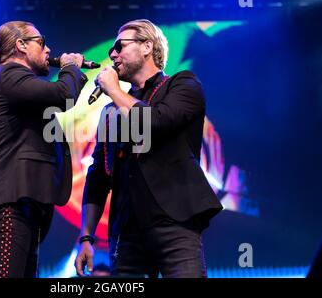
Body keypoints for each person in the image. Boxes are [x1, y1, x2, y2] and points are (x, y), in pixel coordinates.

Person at [74, 19, 223, 278]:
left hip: (175, 223)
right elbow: (99, 176)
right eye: (112, 50)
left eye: (120, 46)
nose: (112, 54)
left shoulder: (182, 85)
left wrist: (112, 89)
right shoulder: (111, 113)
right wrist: (86, 235)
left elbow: (156, 122)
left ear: (146, 46)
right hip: (126, 232)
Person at [0, 21, 88, 278]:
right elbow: (63, 94)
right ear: (20, 45)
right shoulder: (10, 74)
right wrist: (71, 67)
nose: (48, 49)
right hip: (7, 203)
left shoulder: (18, 87)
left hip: (21, 204)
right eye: (41, 42)